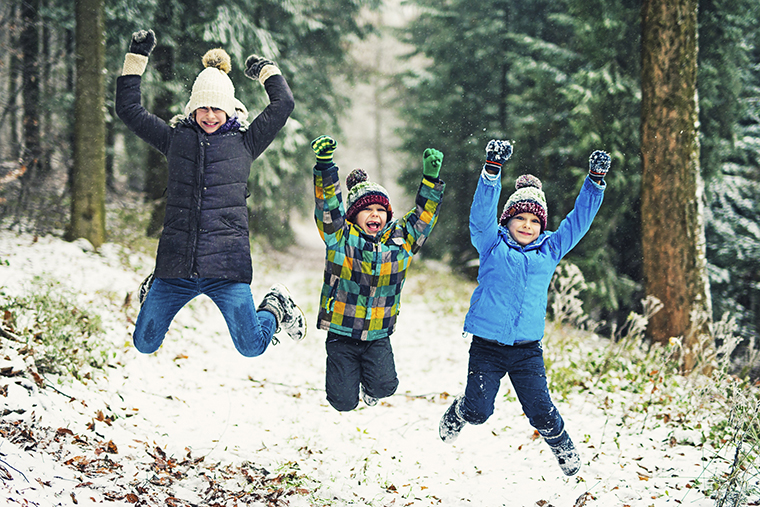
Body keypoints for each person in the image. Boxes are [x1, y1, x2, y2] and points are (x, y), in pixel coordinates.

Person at [115, 29, 305, 357]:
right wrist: (137, 57)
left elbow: (283, 103)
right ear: (192, 109)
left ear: (229, 110)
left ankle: (275, 306)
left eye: (217, 108)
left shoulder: (246, 142)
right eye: (202, 107)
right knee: (144, 343)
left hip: (226, 269)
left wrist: (265, 70)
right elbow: (128, 109)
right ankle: (154, 287)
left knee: (252, 346)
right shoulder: (174, 139)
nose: (210, 115)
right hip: (176, 267)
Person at [438, 139, 610, 476]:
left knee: (541, 411)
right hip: (487, 347)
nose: (528, 225)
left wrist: (595, 181)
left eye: (535, 220)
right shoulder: (491, 243)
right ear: (508, 220)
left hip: (527, 350)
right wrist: (492, 171)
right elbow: (481, 216)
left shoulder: (550, 249)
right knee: (478, 412)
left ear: (542, 225)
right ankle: (458, 412)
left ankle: (562, 445)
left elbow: (578, 221)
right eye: (521, 218)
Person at [310, 135, 445, 411]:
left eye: (381, 210)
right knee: (342, 403)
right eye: (367, 209)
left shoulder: (401, 240)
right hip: (341, 331)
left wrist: (430, 183)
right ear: (354, 215)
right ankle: (349, 384)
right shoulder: (340, 237)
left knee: (386, 386)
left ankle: (369, 386)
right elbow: (328, 208)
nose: (375, 215)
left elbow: (422, 220)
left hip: (378, 333)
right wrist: (325, 168)